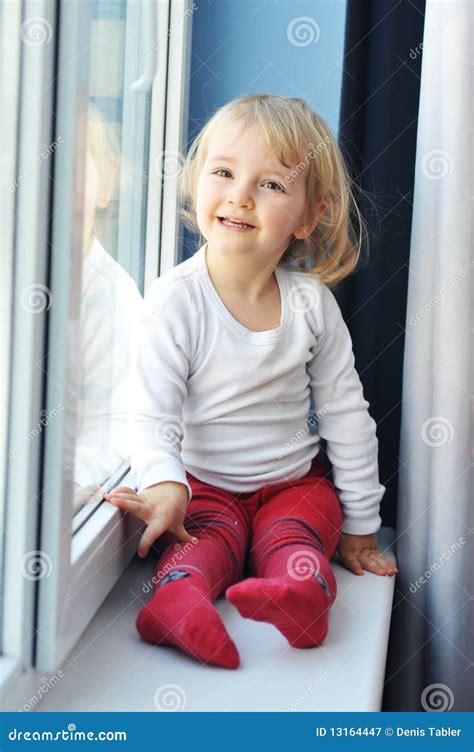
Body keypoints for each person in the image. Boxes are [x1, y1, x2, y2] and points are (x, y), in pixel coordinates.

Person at [105, 94, 398, 670]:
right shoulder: (175, 302)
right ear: (197, 183)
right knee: (203, 540)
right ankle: (179, 600)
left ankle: (301, 596)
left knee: (301, 530)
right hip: (204, 487)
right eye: (224, 172)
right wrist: (165, 484)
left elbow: (346, 414)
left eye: (271, 185)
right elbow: (151, 413)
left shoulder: (312, 305)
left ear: (309, 217)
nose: (240, 194)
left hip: (291, 485)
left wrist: (362, 526)